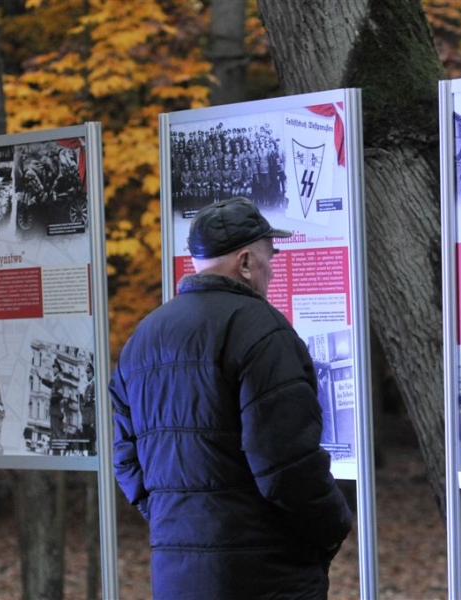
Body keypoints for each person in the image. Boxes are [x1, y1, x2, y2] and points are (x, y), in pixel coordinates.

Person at [110, 197, 353, 599]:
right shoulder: (263, 331)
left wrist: (173, 520)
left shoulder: (143, 338)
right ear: (245, 262)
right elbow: (287, 463)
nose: (271, 270)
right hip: (265, 572)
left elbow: (126, 459)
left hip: (176, 573)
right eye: (269, 258)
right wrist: (334, 525)